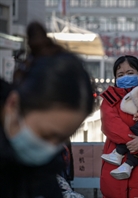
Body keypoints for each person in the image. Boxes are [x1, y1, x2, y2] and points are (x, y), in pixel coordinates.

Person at [0, 22, 94, 197]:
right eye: (45, 135)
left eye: (61, 140)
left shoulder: (45, 171)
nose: (50, 149)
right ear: (13, 104)